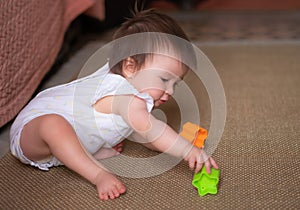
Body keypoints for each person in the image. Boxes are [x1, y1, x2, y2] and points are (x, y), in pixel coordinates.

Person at [10, 9, 219, 201]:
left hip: (73, 136)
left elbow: (145, 136)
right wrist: (186, 150)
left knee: (89, 133)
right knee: (53, 125)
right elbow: (151, 130)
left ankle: (87, 149)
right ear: (130, 66)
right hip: (33, 134)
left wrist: (175, 143)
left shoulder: (135, 87)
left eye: (176, 83)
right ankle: (97, 173)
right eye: (165, 80)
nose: (171, 91)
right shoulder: (122, 93)